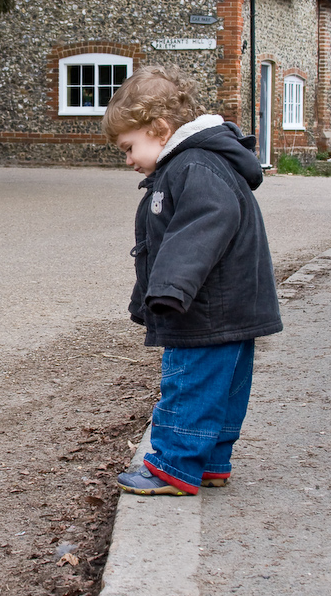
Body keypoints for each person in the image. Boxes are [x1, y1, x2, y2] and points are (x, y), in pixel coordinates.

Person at [102, 66, 283, 496]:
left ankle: (173, 465)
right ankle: (211, 461)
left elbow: (199, 230)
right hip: (232, 303)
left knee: (189, 382)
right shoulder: (197, 165)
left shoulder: (193, 166)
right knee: (224, 387)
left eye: (129, 147)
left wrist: (167, 290)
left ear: (160, 129)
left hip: (203, 307)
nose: (128, 160)